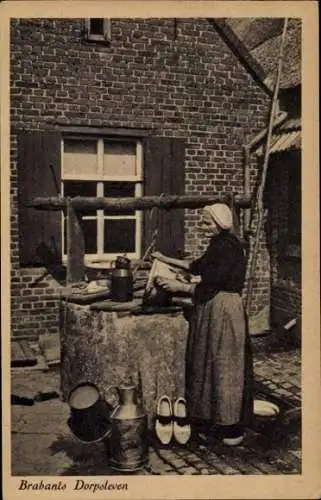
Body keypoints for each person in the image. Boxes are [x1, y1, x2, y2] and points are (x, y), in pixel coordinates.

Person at [153, 203, 253, 446]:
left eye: (207, 222)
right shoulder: (218, 244)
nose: (203, 226)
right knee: (210, 364)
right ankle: (213, 421)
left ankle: (230, 427)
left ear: (219, 224)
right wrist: (163, 258)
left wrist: (180, 287)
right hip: (213, 306)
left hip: (224, 309)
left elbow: (214, 283)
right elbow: (196, 266)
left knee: (225, 365)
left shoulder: (228, 247)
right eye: (203, 222)